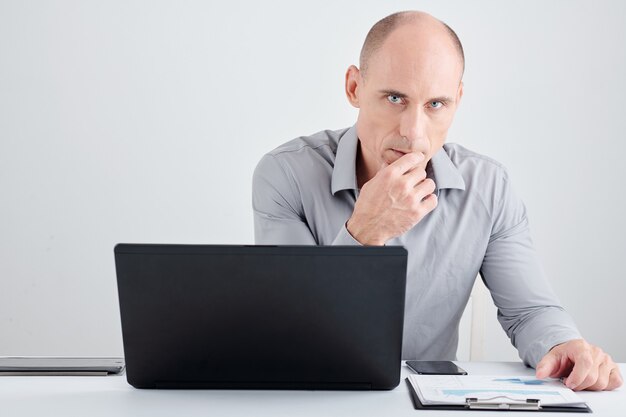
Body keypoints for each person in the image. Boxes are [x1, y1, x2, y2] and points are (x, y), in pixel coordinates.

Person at [251, 10, 622, 391]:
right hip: (313, 393)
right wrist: (364, 233)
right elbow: (293, 331)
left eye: (435, 105)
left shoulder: (488, 186)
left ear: (457, 99)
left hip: (428, 399)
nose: (413, 132)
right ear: (354, 88)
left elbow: (529, 312)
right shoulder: (286, 175)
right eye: (395, 98)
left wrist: (565, 345)